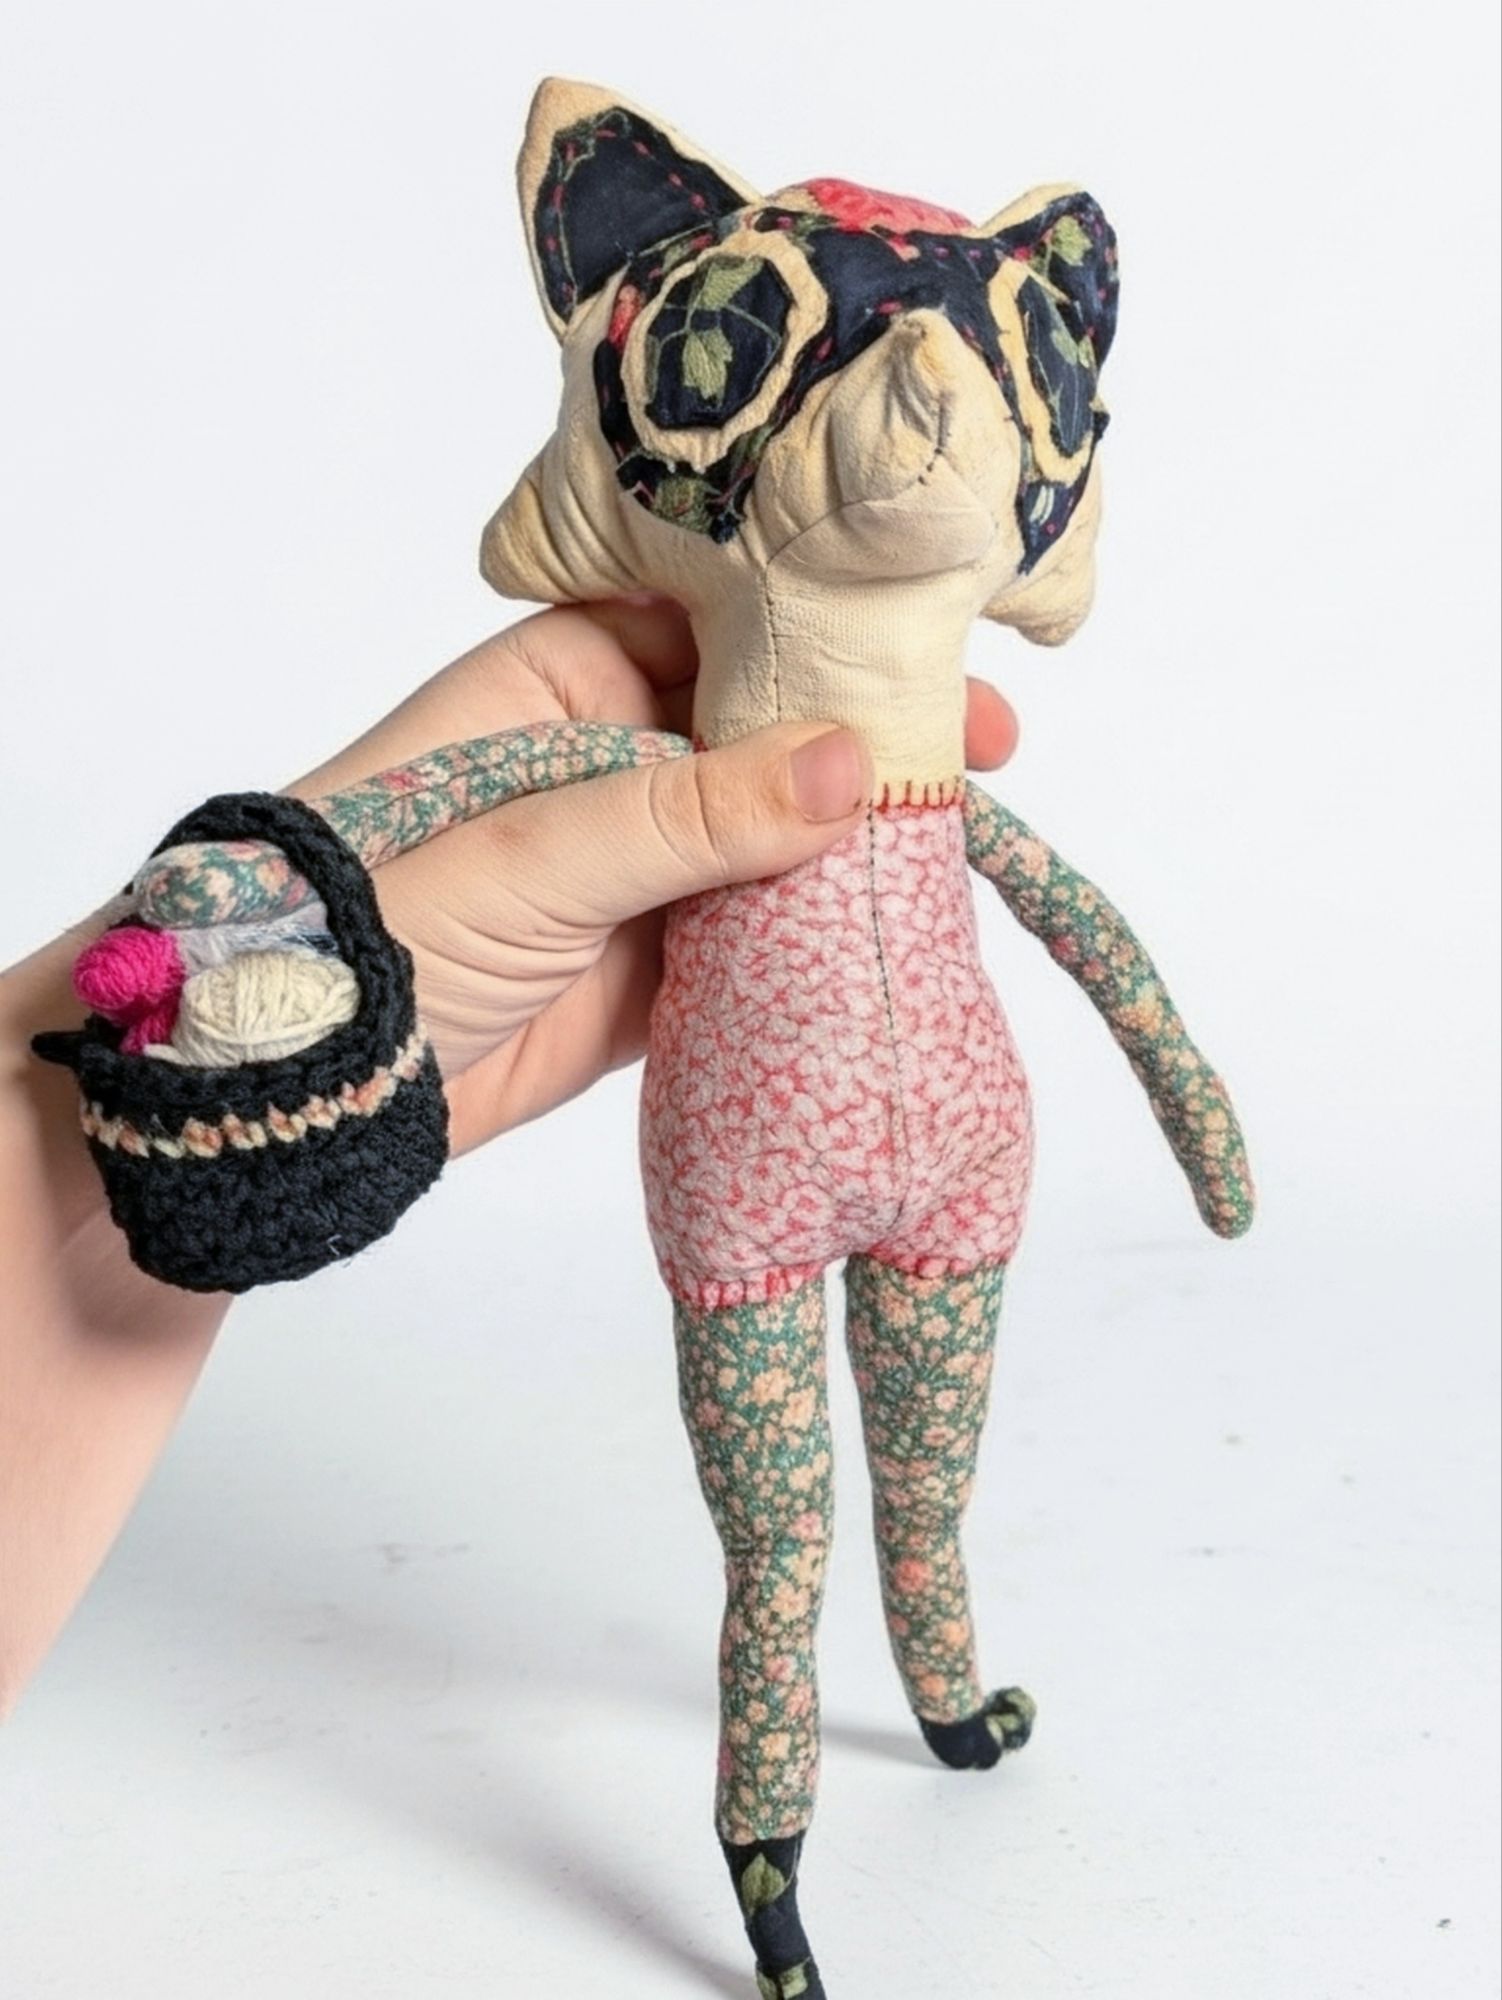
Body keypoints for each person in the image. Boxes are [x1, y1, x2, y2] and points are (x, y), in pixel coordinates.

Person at [0, 594, 1017, 1717]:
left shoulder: (931, 794)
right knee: (778, 1542)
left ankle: (948, 1692)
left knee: (920, 1485)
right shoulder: (678, 767)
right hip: (746, 1186)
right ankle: (779, 1786)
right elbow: (445, 790)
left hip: (939, 1162)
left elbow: (1087, 934)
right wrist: (276, 888)